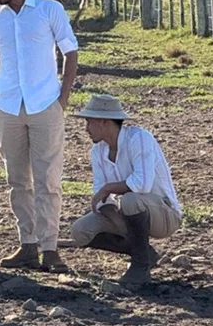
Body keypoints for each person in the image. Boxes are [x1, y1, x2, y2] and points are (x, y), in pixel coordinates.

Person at [0, 0, 79, 273]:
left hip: (45, 104)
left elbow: (70, 51)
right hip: (8, 107)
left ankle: (50, 248)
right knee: (18, 180)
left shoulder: (49, 9)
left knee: (48, 179)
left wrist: (62, 98)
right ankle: (28, 244)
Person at [69, 94, 182, 284]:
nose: (86, 128)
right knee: (80, 231)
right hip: (130, 212)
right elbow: (101, 197)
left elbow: (142, 184)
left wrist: (109, 188)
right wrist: (117, 221)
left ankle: (140, 266)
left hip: (164, 214)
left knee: (131, 200)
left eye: (89, 122)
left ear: (103, 122)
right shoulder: (98, 151)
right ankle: (143, 252)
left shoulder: (140, 138)